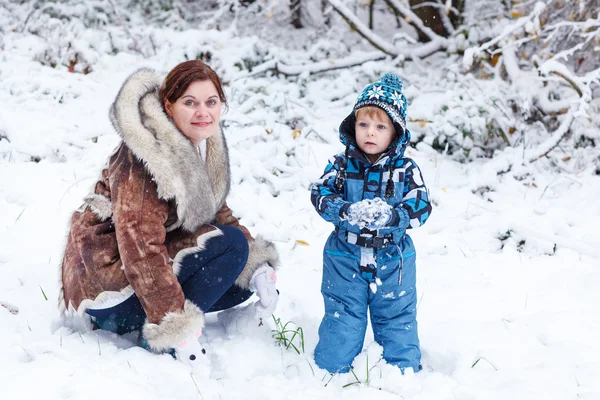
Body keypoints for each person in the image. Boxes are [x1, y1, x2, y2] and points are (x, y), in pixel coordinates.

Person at [58, 60, 280, 366]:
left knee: (238, 285)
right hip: (104, 285)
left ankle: (150, 316)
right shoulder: (145, 154)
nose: (203, 112)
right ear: (169, 105)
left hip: (133, 275)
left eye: (211, 102)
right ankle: (156, 340)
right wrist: (175, 330)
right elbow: (139, 246)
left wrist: (258, 270)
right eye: (190, 103)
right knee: (230, 246)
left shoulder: (199, 142)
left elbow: (215, 210)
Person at [310, 73, 432, 374]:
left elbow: (421, 204)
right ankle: (329, 372)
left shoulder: (405, 169)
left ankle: (402, 373)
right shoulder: (340, 164)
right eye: (364, 124)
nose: (370, 133)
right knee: (342, 313)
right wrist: (344, 210)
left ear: (396, 132)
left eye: (381, 126)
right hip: (344, 256)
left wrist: (394, 216)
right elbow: (320, 193)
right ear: (353, 126)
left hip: (394, 259)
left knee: (396, 317)